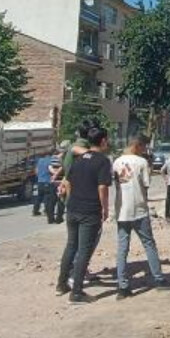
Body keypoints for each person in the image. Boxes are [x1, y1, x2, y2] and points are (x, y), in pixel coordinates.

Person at [56, 126, 112, 304]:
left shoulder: (79, 160)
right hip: (90, 211)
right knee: (84, 251)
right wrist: (105, 209)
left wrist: (71, 200)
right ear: (102, 141)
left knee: (71, 246)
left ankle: (61, 284)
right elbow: (102, 187)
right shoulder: (102, 161)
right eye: (107, 139)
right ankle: (77, 292)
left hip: (73, 208)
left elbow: (68, 181)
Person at [112, 135, 168, 299]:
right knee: (149, 244)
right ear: (137, 146)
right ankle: (158, 279)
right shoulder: (141, 162)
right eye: (144, 147)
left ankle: (122, 286)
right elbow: (146, 185)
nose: (145, 150)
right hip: (139, 209)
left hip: (122, 210)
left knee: (122, 248)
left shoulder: (116, 162)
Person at [46, 148, 65, 223]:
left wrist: (54, 174)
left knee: (51, 201)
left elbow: (49, 167)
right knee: (61, 201)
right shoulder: (63, 159)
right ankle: (59, 218)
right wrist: (57, 174)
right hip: (61, 182)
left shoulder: (52, 159)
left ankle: (50, 219)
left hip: (53, 182)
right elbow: (64, 168)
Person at [32, 152, 52, 218]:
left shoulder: (40, 160)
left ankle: (35, 211)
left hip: (40, 181)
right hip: (47, 181)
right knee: (47, 197)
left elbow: (36, 171)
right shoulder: (50, 160)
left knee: (39, 197)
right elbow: (50, 170)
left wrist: (39, 176)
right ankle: (46, 211)